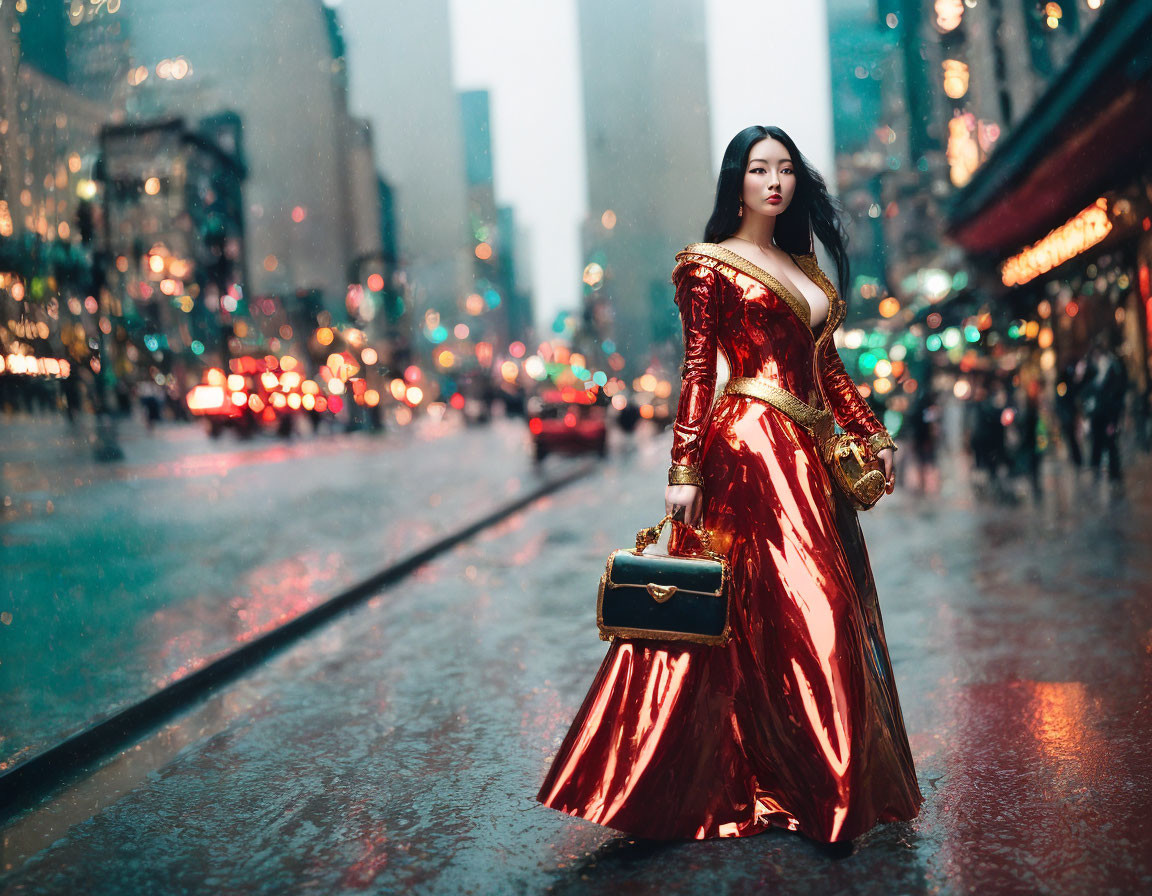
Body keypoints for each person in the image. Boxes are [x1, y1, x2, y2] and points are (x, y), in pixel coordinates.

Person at [537, 126, 921, 845]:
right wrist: (683, 468)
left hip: (812, 452)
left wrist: (874, 434)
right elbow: (695, 373)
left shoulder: (804, 264)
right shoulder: (707, 265)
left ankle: (796, 782)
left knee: (784, 620)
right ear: (736, 181)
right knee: (817, 609)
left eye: (785, 169)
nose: (773, 182)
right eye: (758, 169)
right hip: (748, 447)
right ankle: (824, 796)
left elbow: (828, 371)